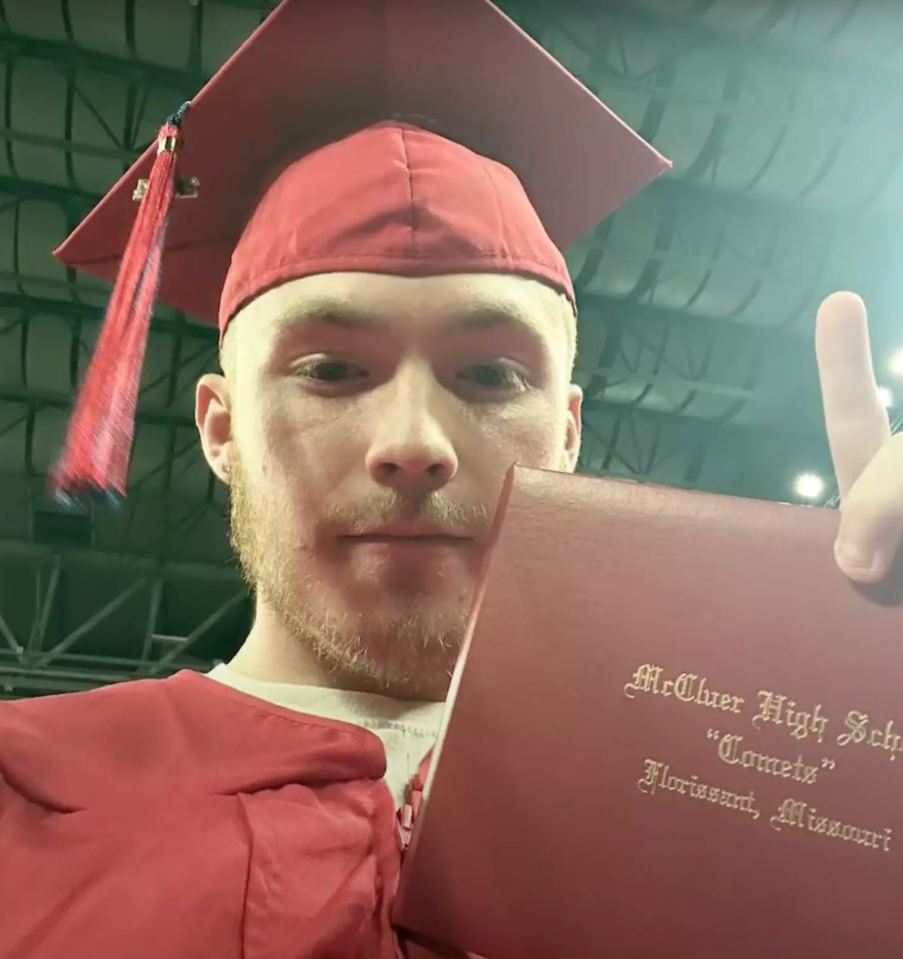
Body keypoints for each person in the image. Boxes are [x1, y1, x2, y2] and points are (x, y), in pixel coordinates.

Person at [2, 0, 901, 957]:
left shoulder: (760, 825)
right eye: (331, 370)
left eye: (488, 374)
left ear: (566, 433)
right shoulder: (25, 800)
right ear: (220, 429)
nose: (415, 441)